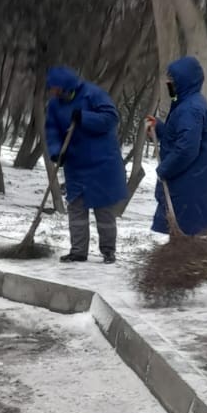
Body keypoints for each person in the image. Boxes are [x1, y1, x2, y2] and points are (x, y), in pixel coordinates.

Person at [45, 65, 128, 264]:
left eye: (56, 88)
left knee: (104, 212)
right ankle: (78, 251)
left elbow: (110, 118)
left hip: (102, 163)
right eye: (51, 89)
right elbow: (52, 131)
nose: (53, 92)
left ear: (65, 86)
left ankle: (109, 251)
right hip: (76, 164)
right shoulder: (55, 105)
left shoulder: (93, 94)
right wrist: (57, 153)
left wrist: (84, 117)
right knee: (76, 210)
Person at [149, 55, 207, 237]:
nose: (168, 83)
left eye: (172, 79)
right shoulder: (189, 103)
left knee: (188, 242)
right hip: (192, 184)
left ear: (184, 80)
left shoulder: (190, 109)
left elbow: (187, 150)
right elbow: (181, 138)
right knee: (186, 240)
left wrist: (164, 169)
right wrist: (160, 129)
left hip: (189, 186)